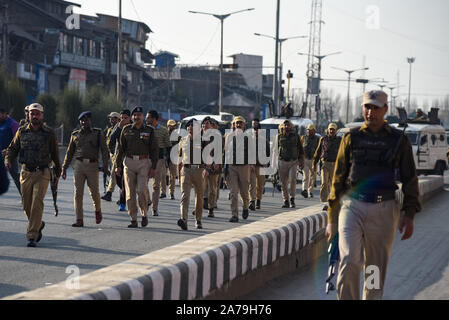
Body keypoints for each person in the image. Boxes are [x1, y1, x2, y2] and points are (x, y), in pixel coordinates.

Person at [326, 90, 421, 300]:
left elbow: (410, 180)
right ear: (362, 108)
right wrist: (332, 219)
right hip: (352, 206)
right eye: (367, 107)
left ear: (385, 110)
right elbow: (338, 179)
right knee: (349, 261)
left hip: (384, 210)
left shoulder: (398, 140)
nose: (371, 112)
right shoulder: (351, 137)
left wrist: (409, 214)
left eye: (376, 107)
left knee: (374, 270)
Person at [4, 103, 61, 247]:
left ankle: (32, 235)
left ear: (42, 115)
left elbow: (55, 155)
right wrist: (8, 160)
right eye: (32, 114)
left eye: (37, 114)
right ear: (28, 115)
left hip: (42, 172)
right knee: (26, 205)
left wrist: (58, 174)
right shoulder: (22, 131)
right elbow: (12, 148)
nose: (34, 116)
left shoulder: (49, 133)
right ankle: (38, 223)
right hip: (26, 172)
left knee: (37, 203)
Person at [62, 111, 109, 227]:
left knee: (94, 192)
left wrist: (105, 165)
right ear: (79, 122)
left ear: (90, 121)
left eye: (86, 120)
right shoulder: (75, 134)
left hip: (93, 165)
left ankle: (97, 210)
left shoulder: (97, 133)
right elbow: (69, 153)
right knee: (78, 193)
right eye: (82, 120)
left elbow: (104, 150)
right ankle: (79, 219)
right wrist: (64, 168)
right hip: (79, 164)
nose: (84, 122)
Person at [115, 106, 159, 228]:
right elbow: (120, 149)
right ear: (132, 117)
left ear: (142, 117)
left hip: (143, 162)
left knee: (141, 189)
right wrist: (118, 166)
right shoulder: (126, 129)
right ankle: (133, 219)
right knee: (130, 193)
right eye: (134, 115)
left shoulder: (149, 130)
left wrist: (153, 167)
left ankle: (144, 214)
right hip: (128, 162)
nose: (136, 117)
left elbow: (154, 150)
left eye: (139, 115)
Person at [177, 119, 206, 230]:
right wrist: (178, 175)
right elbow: (179, 158)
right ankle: (183, 219)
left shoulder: (203, 141)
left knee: (199, 196)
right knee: (185, 196)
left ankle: (198, 220)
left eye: (192, 126)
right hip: (186, 170)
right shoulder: (183, 140)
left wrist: (206, 169)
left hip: (199, 170)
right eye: (188, 126)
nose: (190, 128)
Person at [224, 116, 252, 222]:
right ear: (234, 125)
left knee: (245, 192)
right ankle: (234, 214)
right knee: (233, 192)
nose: (239, 125)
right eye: (237, 123)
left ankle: (245, 207)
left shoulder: (248, 137)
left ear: (244, 125)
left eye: (241, 123)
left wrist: (252, 164)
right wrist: (224, 166)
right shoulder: (229, 136)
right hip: (232, 167)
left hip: (244, 167)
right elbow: (225, 151)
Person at [146, 110, 171, 216]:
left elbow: (168, 146)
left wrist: (168, 160)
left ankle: (154, 208)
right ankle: (147, 200)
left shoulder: (164, 130)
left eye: (148, 118)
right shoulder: (144, 130)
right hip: (146, 158)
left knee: (156, 186)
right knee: (142, 184)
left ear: (154, 119)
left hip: (159, 159)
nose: (146, 119)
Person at [277, 119, 304, 208]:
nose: (286, 127)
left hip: (293, 162)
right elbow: (275, 150)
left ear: (292, 127)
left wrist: (301, 161)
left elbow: (301, 150)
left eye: (288, 125)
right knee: (283, 183)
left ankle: (292, 198)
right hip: (282, 161)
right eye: (285, 125)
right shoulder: (279, 136)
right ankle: (286, 200)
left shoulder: (296, 137)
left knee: (293, 180)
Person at [108, 109, 131, 211]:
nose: (123, 120)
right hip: (118, 157)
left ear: (130, 118)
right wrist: (119, 127)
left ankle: (122, 203)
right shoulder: (118, 126)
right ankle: (126, 193)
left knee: (124, 181)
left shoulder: (134, 127)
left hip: (130, 158)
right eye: (122, 118)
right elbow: (111, 140)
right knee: (117, 179)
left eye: (125, 118)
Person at [312, 123, 342, 204]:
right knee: (324, 183)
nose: (331, 131)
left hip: (335, 164)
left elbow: (343, 153)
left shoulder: (340, 140)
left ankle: (333, 200)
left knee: (333, 184)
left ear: (336, 131)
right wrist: (314, 164)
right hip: (325, 164)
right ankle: (323, 201)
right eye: (330, 129)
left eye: (333, 129)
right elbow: (318, 152)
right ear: (328, 130)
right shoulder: (323, 139)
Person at [249, 118, 269, 210]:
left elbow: (268, 153)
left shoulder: (264, 141)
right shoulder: (248, 140)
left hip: (261, 165)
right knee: (252, 184)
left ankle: (258, 200)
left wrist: (267, 163)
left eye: (257, 130)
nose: (255, 131)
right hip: (252, 166)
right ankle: (252, 201)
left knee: (260, 185)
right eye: (254, 130)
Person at [0, 107, 21, 193]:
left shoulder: (13, 124)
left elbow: (17, 140)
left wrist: (8, 150)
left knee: (15, 176)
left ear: (5, 114)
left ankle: (25, 195)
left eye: (0, 115)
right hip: (0, 155)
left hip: (10, 155)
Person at [101, 112, 121, 201]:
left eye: (113, 118)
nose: (111, 120)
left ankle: (110, 193)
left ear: (117, 119)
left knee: (115, 174)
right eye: (110, 118)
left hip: (118, 154)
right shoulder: (109, 129)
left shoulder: (120, 128)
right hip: (111, 154)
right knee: (116, 175)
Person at [300, 123, 319, 198]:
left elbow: (319, 149)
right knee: (306, 175)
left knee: (313, 176)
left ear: (314, 131)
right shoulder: (303, 138)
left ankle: (310, 191)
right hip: (305, 159)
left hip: (313, 160)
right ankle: (304, 190)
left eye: (311, 130)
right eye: (308, 130)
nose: (309, 131)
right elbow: (300, 148)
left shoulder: (317, 139)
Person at [166, 119, 179, 200]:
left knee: (172, 176)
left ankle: (171, 193)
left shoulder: (177, 136)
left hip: (173, 157)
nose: (172, 127)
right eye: (171, 125)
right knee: (162, 175)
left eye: (173, 125)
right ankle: (162, 191)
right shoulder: (164, 134)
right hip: (164, 156)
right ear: (168, 126)